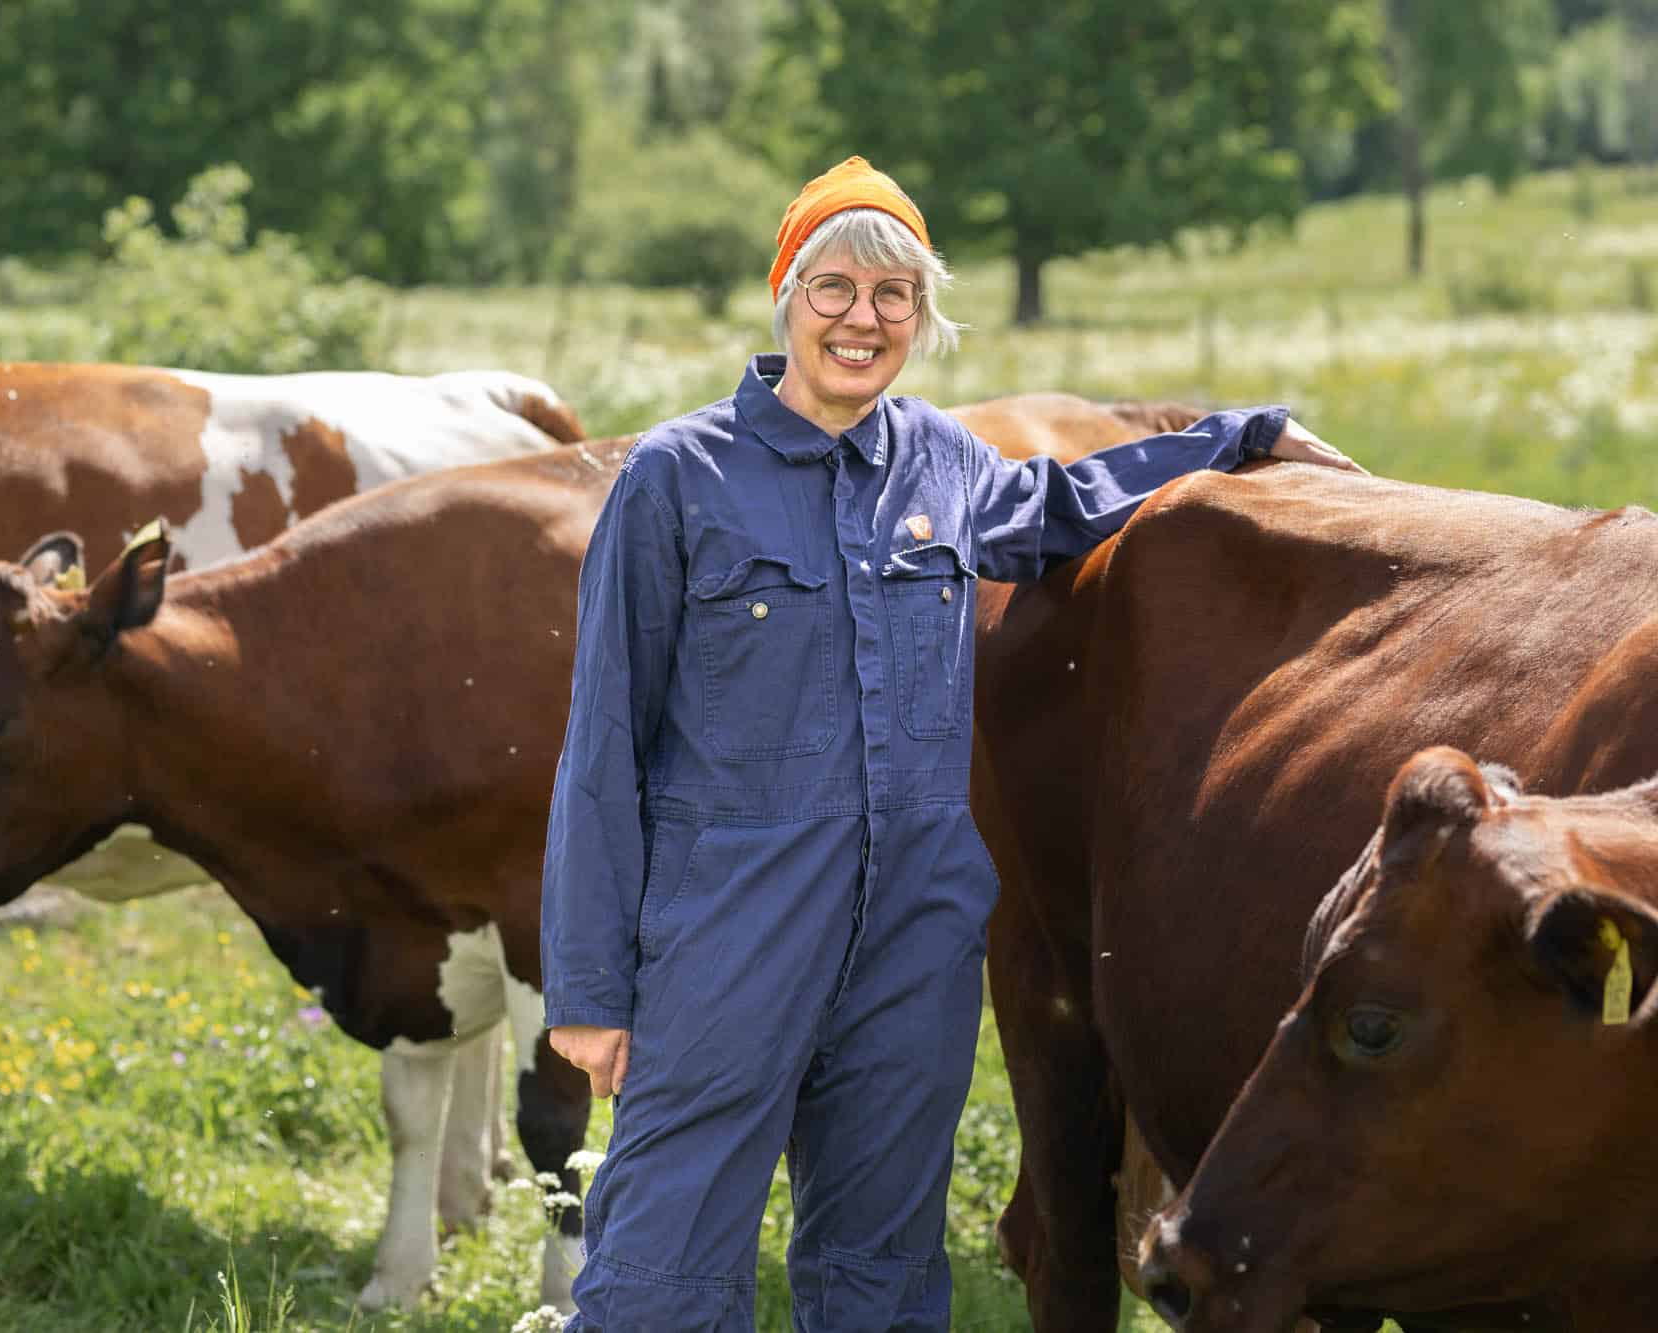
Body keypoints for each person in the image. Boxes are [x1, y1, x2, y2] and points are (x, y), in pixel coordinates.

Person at [540, 155, 1361, 1332]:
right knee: (660, 1272)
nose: (860, 319)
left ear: (919, 320)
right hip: (724, 931)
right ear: (785, 295)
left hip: (910, 941)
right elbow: (600, 743)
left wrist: (1240, 438)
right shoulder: (678, 478)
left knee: (880, 1271)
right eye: (834, 287)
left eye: (892, 297)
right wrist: (587, 983)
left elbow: (1070, 504)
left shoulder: (942, 462)